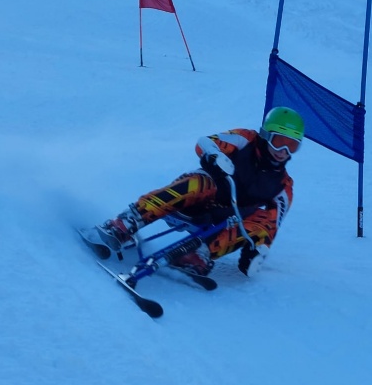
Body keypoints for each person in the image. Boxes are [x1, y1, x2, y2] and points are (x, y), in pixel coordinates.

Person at [96, 106, 305, 278]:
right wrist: (215, 157)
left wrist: (257, 250)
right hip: (194, 201)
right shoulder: (245, 140)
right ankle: (127, 222)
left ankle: (197, 254)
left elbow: (272, 224)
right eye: (279, 142)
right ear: (266, 135)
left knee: (262, 222)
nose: (283, 152)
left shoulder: (283, 186)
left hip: (222, 222)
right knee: (200, 182)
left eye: (292, 146)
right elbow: (206, 142)